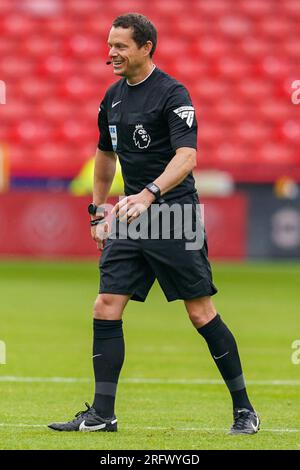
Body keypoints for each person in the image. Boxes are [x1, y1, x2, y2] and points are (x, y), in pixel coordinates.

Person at [48, 13, 260, 435]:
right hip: (130, 216)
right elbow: (105, 155)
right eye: (110, 45)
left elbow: (187, 158)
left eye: (121, 46)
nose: (112, 53)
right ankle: (102, 414)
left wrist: (149, 194)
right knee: (105, 305)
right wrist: (97, 208)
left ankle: (244, 410)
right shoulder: (112, 97)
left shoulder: (172, 93)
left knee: (201, 314)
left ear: (146, 47)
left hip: (172, 215)